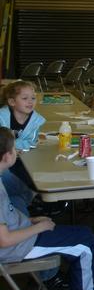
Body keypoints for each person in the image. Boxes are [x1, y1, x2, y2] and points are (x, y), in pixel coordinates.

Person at [0, 127, 94, 290]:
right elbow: (4, 240)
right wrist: (39, 227)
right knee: (85, 244)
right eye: (14, 149)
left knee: (84, 234)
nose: (17, 152)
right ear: (7, 156)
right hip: (14, 247)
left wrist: (30, 220)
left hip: (19, 237)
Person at [0, 81, 46, 214]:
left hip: (20, 158)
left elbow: (31, 142)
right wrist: (16, 144)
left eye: (33, 98)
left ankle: (25, 198)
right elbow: (2, 142)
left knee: (30, 174)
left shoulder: (36, 120)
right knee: (7, 176)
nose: (30, 102)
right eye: (25, 98)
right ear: (12, 102)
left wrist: (12, 144)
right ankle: (29, 195)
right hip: (3, 158)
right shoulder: (1, 117)